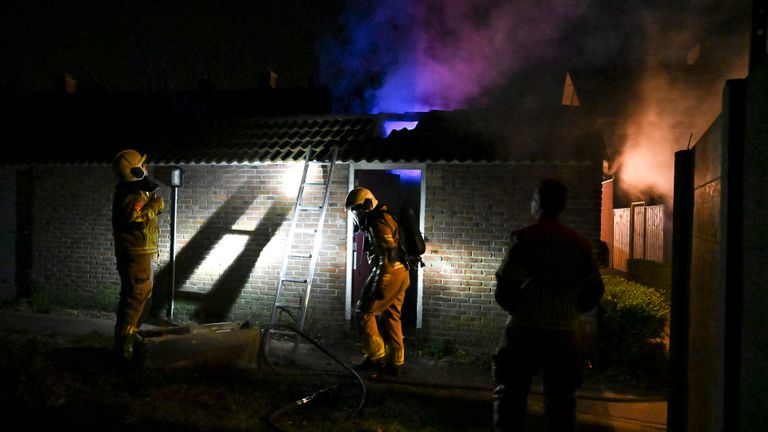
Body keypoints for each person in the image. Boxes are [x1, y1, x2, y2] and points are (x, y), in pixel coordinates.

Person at [492, 178, 604, 431]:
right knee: (562, 404)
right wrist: (570, 309)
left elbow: (505, 288)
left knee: (509, 398)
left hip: (523, 332)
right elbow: (594, 290)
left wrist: (519, 308)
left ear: (537, 205)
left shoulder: (524, 240)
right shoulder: (580, 244)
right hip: (564, 335)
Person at [345, 186, 411, 377]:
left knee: (364, 311)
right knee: (391, 315)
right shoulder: (385, 217)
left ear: (366, 205)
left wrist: (381, 280)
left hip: (389, 271)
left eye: (356, 210)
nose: (355, 216)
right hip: (401, 272)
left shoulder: (377, 222)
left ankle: (375, 356)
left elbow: (387, 253)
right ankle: (395, 362)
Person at [111, 149, 165, 363]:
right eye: (143, 165)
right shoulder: (131, 194)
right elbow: (135, 220)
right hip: (136, 257)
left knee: (142, 301)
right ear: (134, 170)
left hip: (140, 255)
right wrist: (154, 206)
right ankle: (124, 352)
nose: (146, 167)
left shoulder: (133, 190)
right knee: (135, 302)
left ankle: (130, 344)